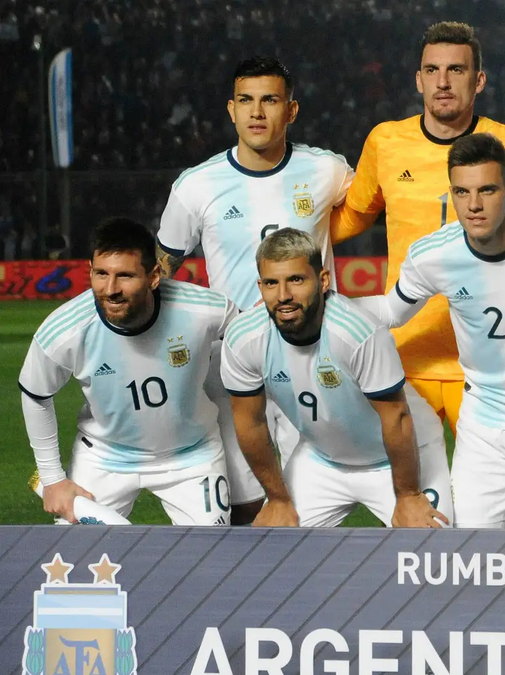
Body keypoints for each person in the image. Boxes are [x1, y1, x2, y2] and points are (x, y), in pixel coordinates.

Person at [331, 22, 505, 434]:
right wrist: (289, 239)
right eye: (432, 70)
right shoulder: (386, 143)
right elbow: (352, 219)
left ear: (478, 80)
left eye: (457, 70)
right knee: (410, 492)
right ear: (418, 79)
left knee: (496, 494)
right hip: (408, 354)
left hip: (495, 362)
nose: (443, 82)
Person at [352, 133, 505, 528]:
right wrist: (326, 304)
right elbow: (390, 312)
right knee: (468, 552)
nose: (473, 205)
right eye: (462, 192)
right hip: (485, 422)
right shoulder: (434, 254)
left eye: (487, 189)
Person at [155, 56, 356, 523]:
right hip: (233, 364)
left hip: (313, 360)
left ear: (292, 110)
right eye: (246, 100)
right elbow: (160, 272)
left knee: (309, 508)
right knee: (247, 509)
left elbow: (380, 203)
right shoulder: (196, 186)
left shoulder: (326, 170)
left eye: (270, 99)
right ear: (231, 109)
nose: (257, 112)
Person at [221, 229, 449, 528]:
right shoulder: (244, 338)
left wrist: (408, 495)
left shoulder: (357, 332)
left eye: (296, 280)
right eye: (271, 283)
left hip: (402, 457)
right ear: (260, 285)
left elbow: (397, 417)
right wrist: (277, 498)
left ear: (323, 280)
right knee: (270, 553)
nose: (283, 296)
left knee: (432, 555)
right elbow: (249, 423)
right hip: (322, 459)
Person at [20, 218, 237, 525]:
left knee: (211, 562)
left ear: (154, 276)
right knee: (76, 564)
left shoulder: (207, 310)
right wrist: (53, 479)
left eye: (124, 276)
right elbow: (35, 395)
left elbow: (253, 344)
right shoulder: (63, 330)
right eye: (101, 274)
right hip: (103, 457)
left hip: (192, 455)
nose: (111, 289)